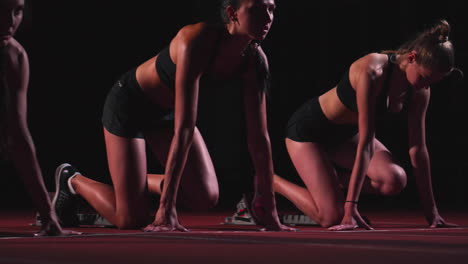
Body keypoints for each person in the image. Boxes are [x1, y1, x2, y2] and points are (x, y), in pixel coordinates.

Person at [52, 0, 294, 232]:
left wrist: (270, 210)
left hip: (165, 114)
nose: (268, 18)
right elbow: (185, 128)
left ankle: (134, 181)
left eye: (272, 9)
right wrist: (165, 209)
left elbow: (259, 138)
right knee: (129, 219)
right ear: (232, 13)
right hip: (129, 105)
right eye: (258, 10)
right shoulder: (196, 39)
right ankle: (73, 180)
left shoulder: (254, 60)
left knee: (205, 198)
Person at [273, 19, 460, 231]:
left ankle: (331, 183)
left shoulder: (420, 90)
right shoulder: (372, 70)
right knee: (331, 217)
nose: (426, 87)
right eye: (425, 78)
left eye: (432, 83)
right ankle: (271, 180)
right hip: (309, 132)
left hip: (344, 137)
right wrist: (350, 209)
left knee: (394, 179)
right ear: (412, 57)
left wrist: (432, 213)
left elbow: (418, 149)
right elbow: (366, 142)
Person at [0, 0, 80, 236]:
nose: (10, 22)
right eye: (1, 12)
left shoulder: (15, 57)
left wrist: (48, 216)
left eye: (18, 11)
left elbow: (19, 137)